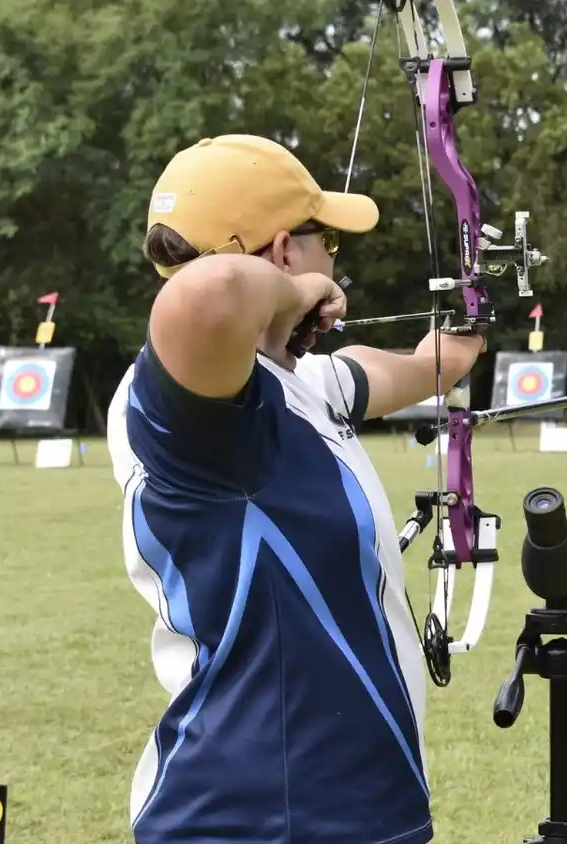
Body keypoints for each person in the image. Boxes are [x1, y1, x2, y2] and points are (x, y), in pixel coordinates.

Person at [103, 134, 486, 844]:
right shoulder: (190, 409)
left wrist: (473, 312)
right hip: (257, 817)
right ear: (283, 252)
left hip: (356, 806)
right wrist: (299, 292)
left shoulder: (299, 386)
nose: (332, 261)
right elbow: (209, 294)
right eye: (324, 245)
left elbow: (416, 367)